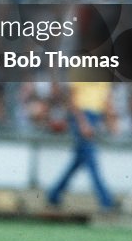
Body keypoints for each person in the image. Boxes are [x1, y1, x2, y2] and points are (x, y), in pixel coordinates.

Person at [46, 81, 116, 212]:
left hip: (95, 117)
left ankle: (54, 195)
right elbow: (72, 100)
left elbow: (105, 100)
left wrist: (110, 121)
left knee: (78, 161)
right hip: (83, 116)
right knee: (91, 161)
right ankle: (106, 200)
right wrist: (83, 123)